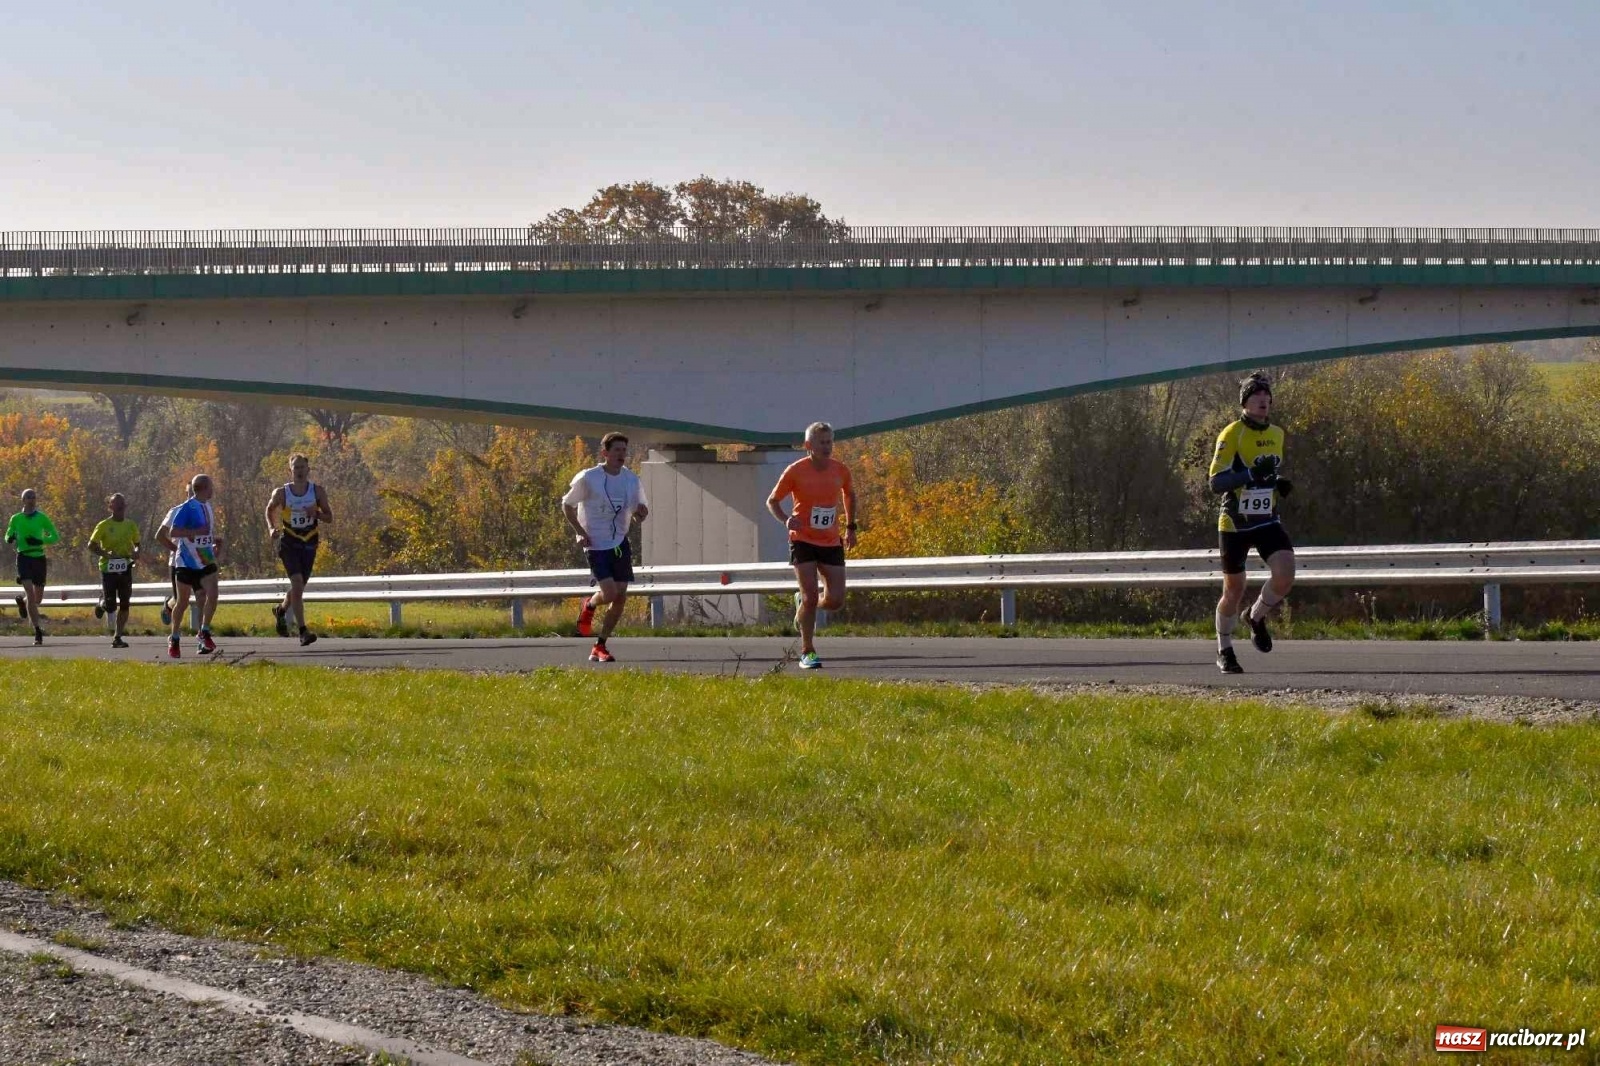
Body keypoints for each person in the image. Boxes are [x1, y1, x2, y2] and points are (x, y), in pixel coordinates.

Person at [1209, 371, 1296, 674]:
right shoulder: (1232, 433)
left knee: (1285, 574)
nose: (1263, 400)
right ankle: (1224, 648)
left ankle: (1256, 616)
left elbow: (1267, 473)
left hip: (1266, 520)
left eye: (1267, 396)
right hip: (1235, 523)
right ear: (1245, 402)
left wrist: (1277, 483)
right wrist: (1249, 476)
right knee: (1233, 590)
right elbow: (1216, 482)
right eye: (1256, 395)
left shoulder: (1277, 434)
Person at [766, 421, 857, 670]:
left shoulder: (840, 470)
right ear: (809, 446)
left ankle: (805, 604)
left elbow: (849, 494)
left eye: (829, 442)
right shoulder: (796, 471)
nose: (827, 447)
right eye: (821, 443)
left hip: (830, 540)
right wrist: (787, 520)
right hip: (802, 539)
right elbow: (772, 501)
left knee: (836, 600)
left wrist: (851, 527)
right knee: (810, 595)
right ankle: (807, 651)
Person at [562, 433, 648, 662]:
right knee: (609, 594)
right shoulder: (589, 478)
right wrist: (580, 533)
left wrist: (641, 513)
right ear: (605, 453)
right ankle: (589, 604)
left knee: (620, 597)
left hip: (619, 542)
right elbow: (567, 505)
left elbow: (640, 513)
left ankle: (600, 646)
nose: (622, 454)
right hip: (595, 543)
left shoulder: (631, 480)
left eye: (624, 450)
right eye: (617, 450)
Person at [264, 453, 332, 647]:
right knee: (297, 582)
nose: (300, 471)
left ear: (308, 470)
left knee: (298, 588)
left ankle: (281, 610)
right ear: (290, 470)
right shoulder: (282, 493)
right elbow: (269, 510)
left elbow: (329, 517)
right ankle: (303, 632)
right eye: (296, 468)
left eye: (303, 467)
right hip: (289, 542)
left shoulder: (317, 491)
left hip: (309, 543)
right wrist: (271, 527)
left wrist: (316, 514)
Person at [160, 474, 224, 658]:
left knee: (212, 594)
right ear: (203, 488)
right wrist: (196, 532)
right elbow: (174, 531)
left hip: (204, 559)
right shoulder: (187, 508)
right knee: (183, 602)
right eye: (211, 487)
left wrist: (214, 544)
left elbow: (205, 535)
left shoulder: (207, 506)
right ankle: (174, 637)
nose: (213, 490)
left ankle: (204, 631)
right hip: (186, 562)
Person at [5, 488, 60, 646]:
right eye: (28, 497)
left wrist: (40, 541)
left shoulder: (42, 518)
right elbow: (8, 534)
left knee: (37, 598)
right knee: (29, 590)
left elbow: (55, 537)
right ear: (23, 500)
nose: (31, 499)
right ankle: (37, 631)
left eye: (33, 497)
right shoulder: (16, 518)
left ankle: (22, 602)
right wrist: (10, 537)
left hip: (38, 558)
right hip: (23, 557)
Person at [87, 493, 140, 648]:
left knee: (124, 604)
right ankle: (102, 604)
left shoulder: (130, 525)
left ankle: (118, 637)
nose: (120, 509)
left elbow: (137, 543)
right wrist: (106, 554)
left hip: (125, 567)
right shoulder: (103, 525)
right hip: (108, 568)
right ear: (110, 507)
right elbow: (91, 545)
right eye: (117, 506)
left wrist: (136, 551)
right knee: (111, 606)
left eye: (122, 506)